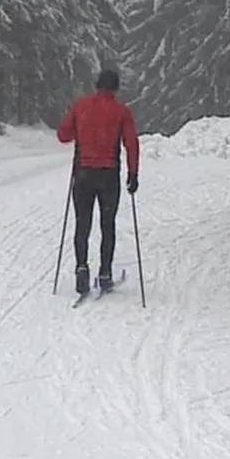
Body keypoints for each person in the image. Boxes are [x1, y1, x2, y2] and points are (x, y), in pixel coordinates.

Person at [57, 68, 140, 295]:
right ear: (115, 87)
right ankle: (105, 273)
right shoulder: (121, 111)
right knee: (107, 224)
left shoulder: (80, 106)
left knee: (82, 223)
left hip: (83, 173)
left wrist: (81, 131)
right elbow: (131, 143)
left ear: (96, 85)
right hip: (108, 175)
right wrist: (133, 174)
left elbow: (63, 136)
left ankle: (81, 270)